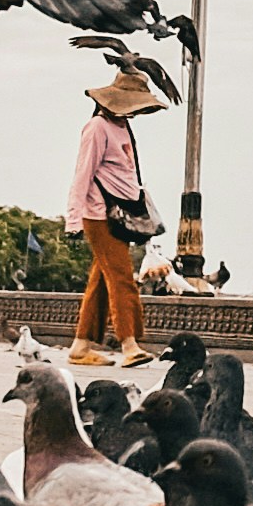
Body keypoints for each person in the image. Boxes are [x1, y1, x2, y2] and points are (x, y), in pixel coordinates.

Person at [69, 65, 162, 362]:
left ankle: (81, 346)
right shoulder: (97, 128)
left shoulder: (121, 125)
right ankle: (129, 344)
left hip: (119, 216)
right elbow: (82, 175)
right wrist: (73, 220)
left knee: (100, 280)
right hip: (99, 215)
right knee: (122, 276)